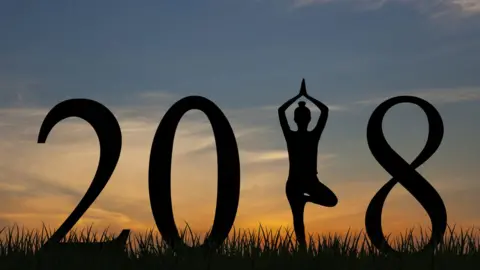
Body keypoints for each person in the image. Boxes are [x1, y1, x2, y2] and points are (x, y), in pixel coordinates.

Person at [278, 79, 338, 249]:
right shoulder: (299, 135)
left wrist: (300, 97)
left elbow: (281, 110)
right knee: (298, 221)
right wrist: (305, 97)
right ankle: (302, 251)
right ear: (307, 118)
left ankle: (306, 200)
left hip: (310, 182)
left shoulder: (307, 135)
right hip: (297, 182)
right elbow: (324, 110)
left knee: (330, 201)